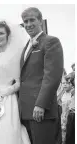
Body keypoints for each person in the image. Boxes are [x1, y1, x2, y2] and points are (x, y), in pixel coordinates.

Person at [19, 7, 64, 144]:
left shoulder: (51, 42)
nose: (28, 24)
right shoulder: (26, 46)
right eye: (25, 21)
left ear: (40, 21)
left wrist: (41, 105)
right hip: (25, 111)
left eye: (32, 20)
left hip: (41, 111)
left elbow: (51, 77)